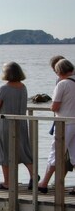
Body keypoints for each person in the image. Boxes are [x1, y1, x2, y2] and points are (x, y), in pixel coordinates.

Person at [0, 62, 35, 189]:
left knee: (5, 152)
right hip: (21, 123)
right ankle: (33, 175)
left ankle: (7, 182)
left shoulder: (3, 89)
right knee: (24, 151)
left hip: (5, 124)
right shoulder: (23, 87)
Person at [38, 58, 75, 194]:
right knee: (74, 154)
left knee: (55, 152)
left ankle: (44, 183)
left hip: (64, 123)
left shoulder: (62, 84)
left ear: (59, 71)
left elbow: (55, 106)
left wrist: (52, 108)